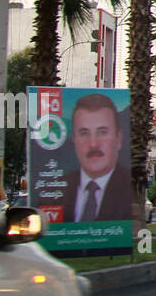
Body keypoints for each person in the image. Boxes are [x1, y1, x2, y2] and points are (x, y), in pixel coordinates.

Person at [51, 94, 132, 223]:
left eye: (102, 132)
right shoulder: (54, 191)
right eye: (84, 133)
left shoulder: (129, 190)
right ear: (74, 139)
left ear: (118, 138)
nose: (93, 144)